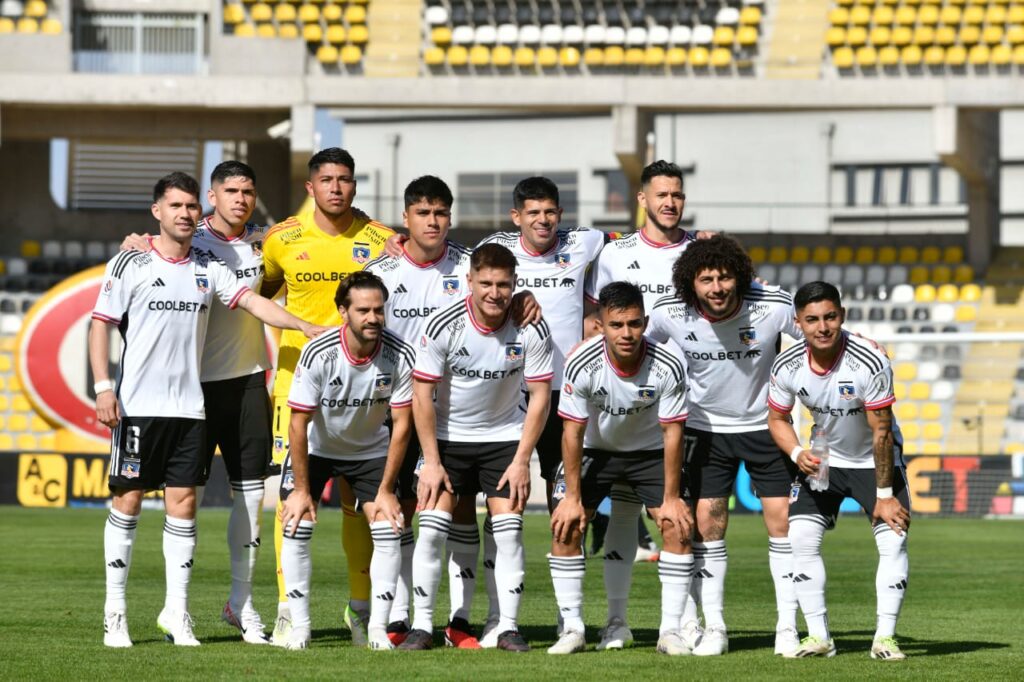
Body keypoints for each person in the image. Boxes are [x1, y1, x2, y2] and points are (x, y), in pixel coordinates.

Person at [92, 172, 326, 648]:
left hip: (202, 403)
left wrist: (304, 325)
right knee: (130, 500)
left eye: (188, 206)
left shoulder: (229, 257)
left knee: (189, 505)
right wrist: (102, 387)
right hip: (143, 403)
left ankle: (185, 612)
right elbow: (102, 324)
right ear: (160, 210)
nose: (184, 213)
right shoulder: (134, 260)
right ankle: (114, 613)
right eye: (176, 205)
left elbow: (253, 302)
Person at [118, 161, 276, 643]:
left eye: (248, 190)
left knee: (251, 499)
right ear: (211, 195)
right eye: (230, 190)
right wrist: (134, 242)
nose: (240, 199)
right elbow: (144, 262)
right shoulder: (187, 241)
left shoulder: (270, 242)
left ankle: (242, 604)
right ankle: (175, 609)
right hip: (193, 389)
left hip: (248, 382)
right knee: (180, 502)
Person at [260, 147, 394, 646]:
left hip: (365, 389)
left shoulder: (383, 240)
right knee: (293, 499)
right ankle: (287, 611)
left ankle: (360, 610)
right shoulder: (281, 240)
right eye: (327, 180)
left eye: (345, 179)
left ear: (355, 186)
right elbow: (257, 292)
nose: (336, 187)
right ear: (309, 187)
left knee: (360, 505)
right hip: (297, 387)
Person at [646, 234, 803, 656]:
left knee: (783, 525)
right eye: (706, 279)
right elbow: (633, 345)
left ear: (740, 277)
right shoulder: (670, 313)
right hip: (704, 430)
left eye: (725, 277)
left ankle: (787, 628)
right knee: (707, 526)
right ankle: (714, 628)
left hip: (764, 426)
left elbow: (818, 336)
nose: (716, 287)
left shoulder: (773, 306)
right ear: (690, 284)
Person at [470, 176, 606, 646]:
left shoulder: (585, 242)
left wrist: (698, 239)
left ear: (560, 215)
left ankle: (571, 620)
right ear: (516, 217)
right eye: (533, 212)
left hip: (567, 401)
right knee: (501, 510)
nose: (543, 220)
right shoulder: (495, 248)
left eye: (550, 212)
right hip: (510, 401)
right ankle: (496, 617)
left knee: (568, 508)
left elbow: (636, 246)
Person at [402, 243, 553, 652]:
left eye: (503, 284)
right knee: (432, 532)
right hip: (448, 441)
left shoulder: (532, 328)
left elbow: (541, 396)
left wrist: (523, 460)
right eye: (485, 283)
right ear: (469, 281)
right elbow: (422, 394)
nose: (495, 292)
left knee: (509, 532)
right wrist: (431, 461)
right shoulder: (443, 324)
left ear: (514, 284)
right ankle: (423, 627)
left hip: (504, 440)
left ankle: (505, 626)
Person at [580, 160, 698, 650]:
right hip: (621, 403)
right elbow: (592, 318)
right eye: (661, 194)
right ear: (643, 200)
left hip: (682, 401)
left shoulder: (701, 251)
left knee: (684, 516)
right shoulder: (614, 254)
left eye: (677, 194)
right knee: (625, 514)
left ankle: (687, 620)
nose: (669, 202)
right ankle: (616, 621)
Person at [547, 281, 693, 656]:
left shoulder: (668, 363)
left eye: (633, 324)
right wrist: (573, 497)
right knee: (566, 527)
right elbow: (572, 432)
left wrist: (672, 497)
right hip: (597, 451)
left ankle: (671, 631)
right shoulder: (581, 362)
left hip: (649, 453)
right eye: (616, 325)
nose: (626, 333)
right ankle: (574, 629)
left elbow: (673, 432)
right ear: (600, 325)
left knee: (677, 526)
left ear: (644, 321)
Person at [767, 281, 910, 660]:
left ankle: (885, 638)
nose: (823, 326)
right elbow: (777, 418)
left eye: (830, 316)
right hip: (824, 459)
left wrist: (883, 496)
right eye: (812, 319)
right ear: (798, 323)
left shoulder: (870, 360)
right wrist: (797, 450)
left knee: (893, 539)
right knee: (800, 539)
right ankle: (819, 637)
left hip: (874, 462)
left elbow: (881, 432)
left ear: (842, 316)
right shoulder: (787, 364)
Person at [277, 271, 415, 651]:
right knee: (296, 522)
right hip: (318, 449)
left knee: (389, 527)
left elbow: (403, 425)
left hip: (370, 452)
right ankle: (300, 627)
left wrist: (387, 490)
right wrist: (303, 490)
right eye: (363, 310)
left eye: (379, 310)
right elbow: (298, 424)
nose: (373, 318)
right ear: (343, 312)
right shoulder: (319, 353)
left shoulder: (399, 354)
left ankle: (375, 630)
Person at [364, 175, 473, 646]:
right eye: (423, 213)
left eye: (440, 213)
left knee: (459, 509)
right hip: (395, 410)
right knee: (400, 512)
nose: (433, 222)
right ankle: (400, 616)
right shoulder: (382, 271)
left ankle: (459, 620)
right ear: (405, 218)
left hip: (458, 411)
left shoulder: (470, 266)